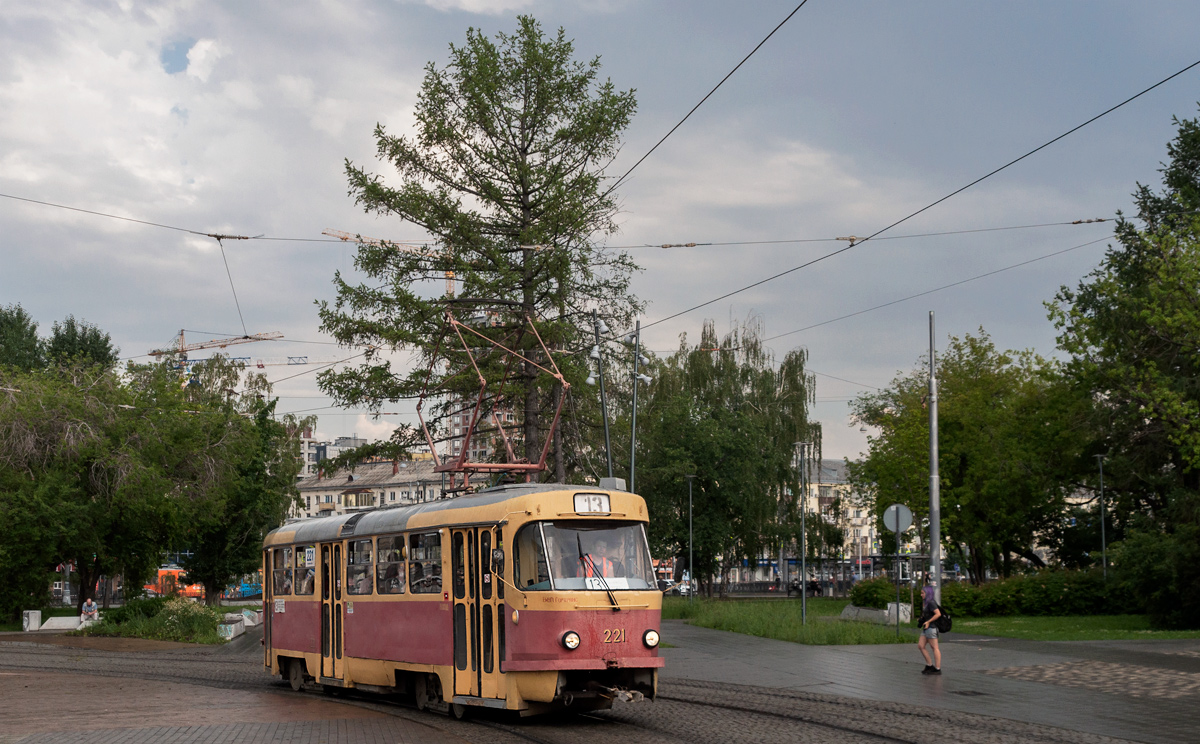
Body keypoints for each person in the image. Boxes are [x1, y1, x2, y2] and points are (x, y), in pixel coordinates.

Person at [917, 584, 943, 675]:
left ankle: (937, 668)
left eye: (922, 593)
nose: (921, 595)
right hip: (926, 627)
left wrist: (929, 621)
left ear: (927, 593)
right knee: (920, 645)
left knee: (934, 647)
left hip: (931, 627)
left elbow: (938, 614)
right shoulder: (926, 603)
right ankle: (929, 665)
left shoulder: (931, 602)